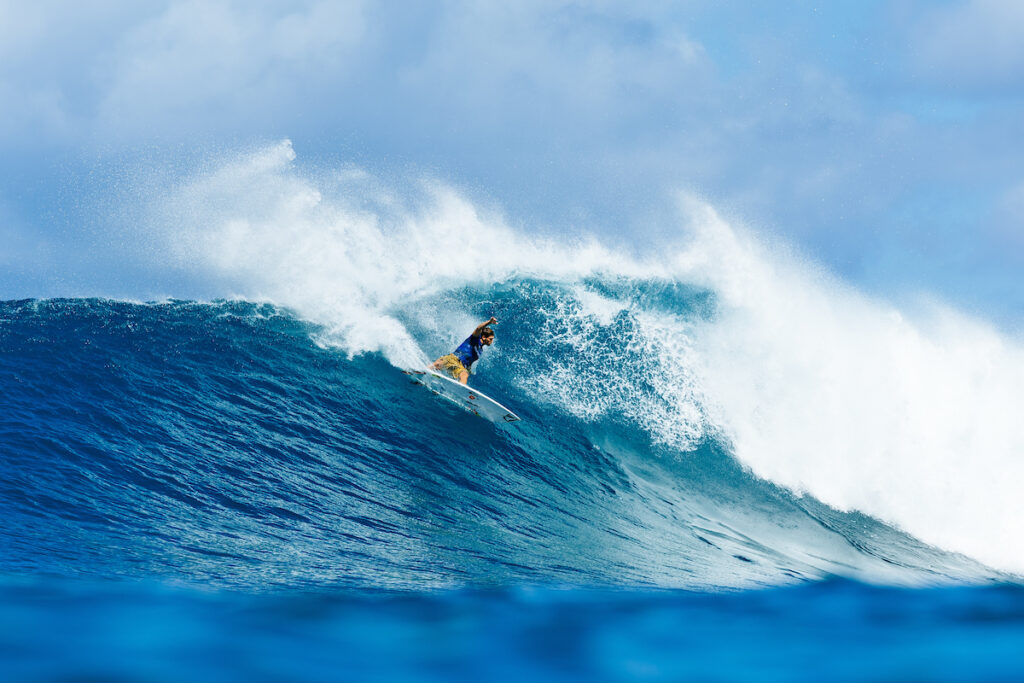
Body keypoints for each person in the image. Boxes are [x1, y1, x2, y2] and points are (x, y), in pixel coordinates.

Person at [432, 317, 497, 385]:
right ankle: (422, 371)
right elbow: (478, 328)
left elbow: (469, 362)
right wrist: (489, 322)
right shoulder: (475, 339)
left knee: (462, 373)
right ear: (483, 337)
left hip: (460, 366)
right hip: (454, 358)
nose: (491, 341)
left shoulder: (480, 351)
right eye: (490, 339)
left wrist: (468, 370)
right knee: (439, 365)